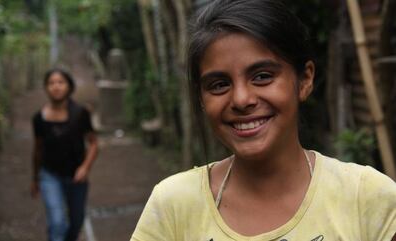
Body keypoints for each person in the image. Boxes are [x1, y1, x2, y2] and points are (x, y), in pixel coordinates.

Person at [131, 0, 396, 240]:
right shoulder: (173, 206)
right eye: (219, 84)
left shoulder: (367, 198)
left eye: (262, 76)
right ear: (201, 98)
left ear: (304, 80)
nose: (241, 99)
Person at [31, 68, 98, 241]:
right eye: (51, 83)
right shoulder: (39, 118)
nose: (56, 87)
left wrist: (85, 168)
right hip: (49, 175)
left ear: (69, 86)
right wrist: (35, 178)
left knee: (76, 221)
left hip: (76, 177)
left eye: (60, 82)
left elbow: (93, 144)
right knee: (57, 222)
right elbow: (37, 149)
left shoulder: (80, 114)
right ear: (46, 88)